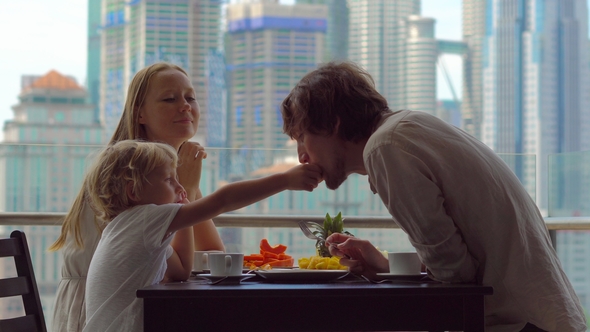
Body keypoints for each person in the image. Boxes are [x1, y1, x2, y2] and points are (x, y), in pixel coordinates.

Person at [280, 61, 587, 332]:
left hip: (517, 323)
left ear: (332, 124)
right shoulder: (407, 128)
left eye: (302, 138)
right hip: (541, 316)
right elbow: (459, 261)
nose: (302, 157)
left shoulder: (385, 148)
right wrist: (386, 265)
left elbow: (455, 276)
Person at [48, 62, 225, 332]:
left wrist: (187, 188)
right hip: (101, 314)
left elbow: (215, 255)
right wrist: (187, 191)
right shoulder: (129, 178)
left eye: (191, 97)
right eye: (170, 98)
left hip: (142, 308)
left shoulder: (169, 176)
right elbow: (172, 271)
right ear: (139, 114)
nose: (186, 106)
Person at [81, 140, 322, 331]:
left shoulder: (127, 229)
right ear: (133, 191)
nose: (180, 187)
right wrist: (286, 180)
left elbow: (181, 269)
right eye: (169, 179)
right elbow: (223, 200)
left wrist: (182, 205)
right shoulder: (144, 219)